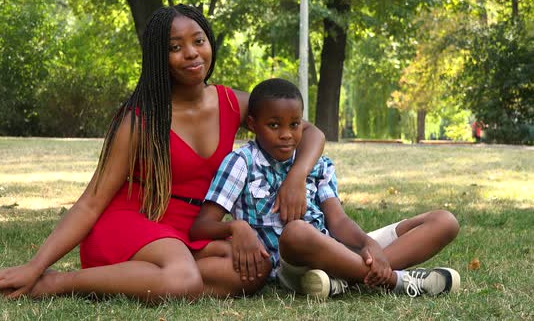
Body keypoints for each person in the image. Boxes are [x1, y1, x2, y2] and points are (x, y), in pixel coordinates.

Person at [0, 5, 326, 302]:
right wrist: (36, 266)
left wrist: (296, 176)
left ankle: (151, 280)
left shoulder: (232, 103)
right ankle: (60, 283)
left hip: (191, 230)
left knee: (256, 266)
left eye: (198, 41)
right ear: (157, 57)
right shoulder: (140, 119)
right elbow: (91, 201)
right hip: (135, 220)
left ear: (210, 44)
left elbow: (310, 132)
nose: (191, 53)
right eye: (175, 47)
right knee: (185, 278)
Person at [190, 78, 461, 298]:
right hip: (291, 263)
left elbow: (338, 220)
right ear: (252, 125)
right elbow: (201, 226)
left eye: (294, 125)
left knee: (444, 221)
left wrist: (368, 244)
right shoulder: (241, 163)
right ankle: (395, 280)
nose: (286, 134)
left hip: (336, 247)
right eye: (274, 125)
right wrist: (237, 228)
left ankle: (343, 279)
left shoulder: (317, 164)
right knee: (296, 231)